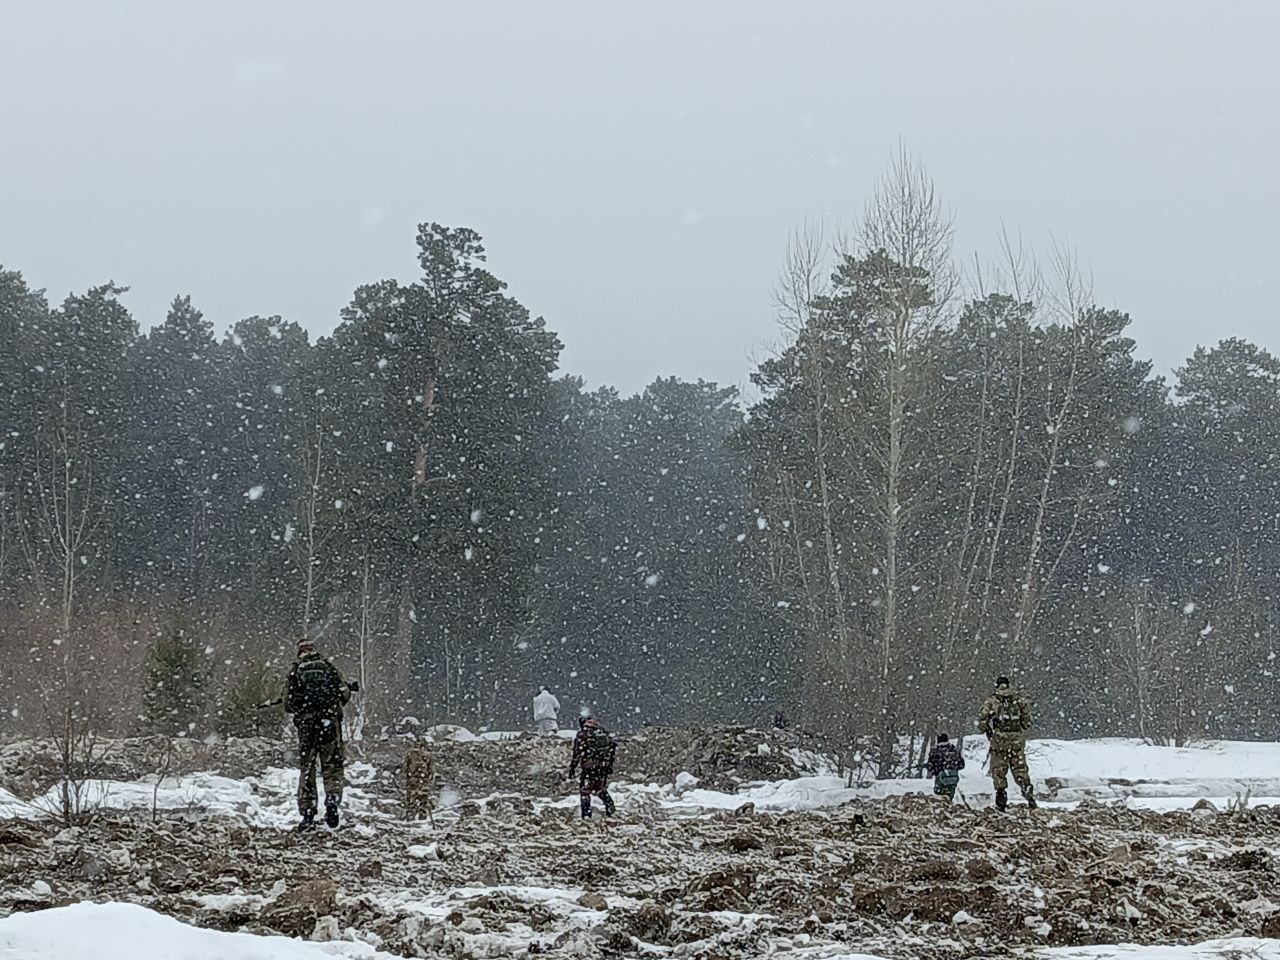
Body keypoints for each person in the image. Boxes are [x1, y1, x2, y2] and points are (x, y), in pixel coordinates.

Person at [284, 638, 351, 831]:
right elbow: (344, 694)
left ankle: (307, 812)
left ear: (299, 652)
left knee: (308, 768)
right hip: (329, 723)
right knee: (332, 766)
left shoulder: (296, 670)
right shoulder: (329, 667)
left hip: (307, 726)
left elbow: (288, 703)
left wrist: (303, 708)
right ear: (314, 650)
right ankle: (332, 799)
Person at [977, 675, 1036, 812]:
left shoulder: (993, 701)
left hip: (999, 740)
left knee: (999, 770)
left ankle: (1001, 797)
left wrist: (988, 731)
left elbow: (982, 719)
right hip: (1016, 740)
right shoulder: (1019, 700)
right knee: (1020, 768)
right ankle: (1027, 789)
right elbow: (1027, 722)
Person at [568, 715, 616, 819]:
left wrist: (572, 768)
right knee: (601, 789)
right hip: (602, 767)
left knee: (585, 792)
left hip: (588, 767)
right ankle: (611, 809)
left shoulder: (583, 734)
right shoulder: (602, 732)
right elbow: (612, 749)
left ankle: (586, 815)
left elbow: (577, 753)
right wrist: (609, 766)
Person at [925, 733, 965, 801]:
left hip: (941, 781)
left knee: (940, 799)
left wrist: (935, 769)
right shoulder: (953, 751)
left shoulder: (935, 753)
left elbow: (931, 768)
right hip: (953, 782)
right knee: (949, 798)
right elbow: (961, 765)